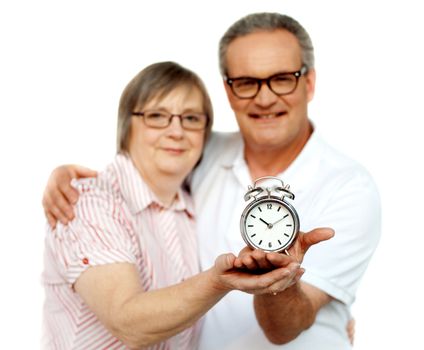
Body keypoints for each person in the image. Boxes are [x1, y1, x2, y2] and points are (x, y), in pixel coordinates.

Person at [42, 13, 380, 350]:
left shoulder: (351, 188)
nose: (264, 98)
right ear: (229, 92)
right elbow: (149, 157)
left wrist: (281, 279)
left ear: (309, 83)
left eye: (282, 78)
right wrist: (67, 175)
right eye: (247, 82)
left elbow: (284, 329)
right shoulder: (202, 153)